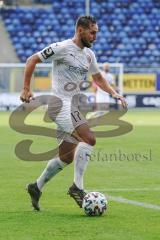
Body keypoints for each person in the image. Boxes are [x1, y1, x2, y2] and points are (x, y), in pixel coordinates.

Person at [20, 15, 127, 211]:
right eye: (92, 32)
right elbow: (31, 60)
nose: (95, 36)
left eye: (96, 32)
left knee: (66, 157)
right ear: (80, 30)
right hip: (59, 104)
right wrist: (26, 88)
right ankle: (77, 188)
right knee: (89, 138)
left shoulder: (89, 55)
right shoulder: (62, 47)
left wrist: (114, 93)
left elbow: (98, 78)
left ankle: (36, 186)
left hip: (73, 106)